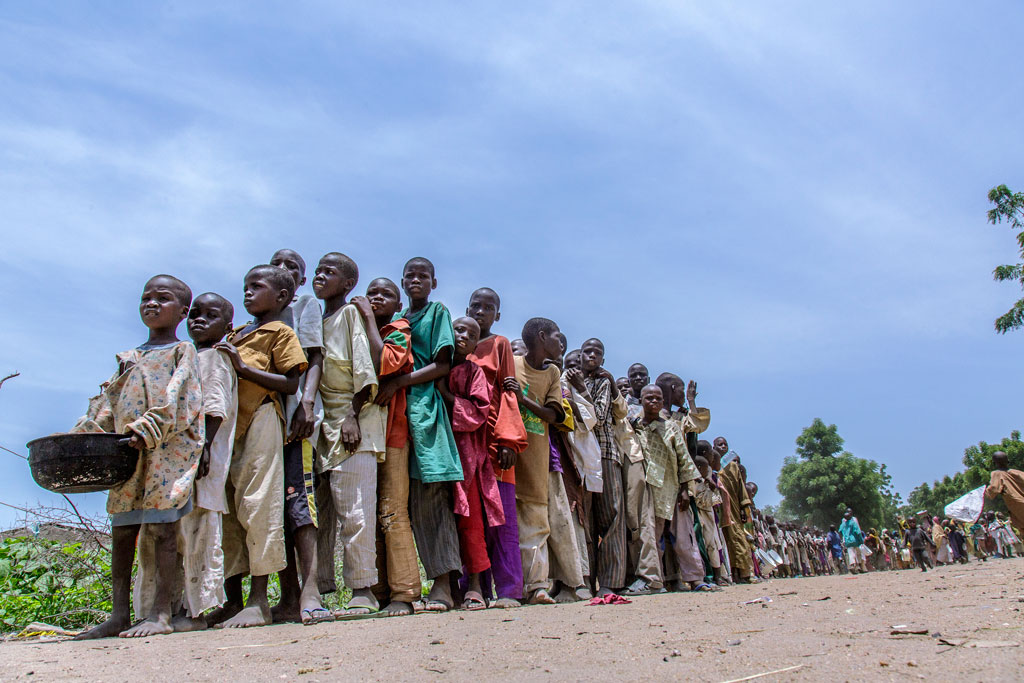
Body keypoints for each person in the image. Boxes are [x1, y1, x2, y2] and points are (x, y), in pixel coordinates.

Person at [72, 275, 205, 639]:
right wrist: (82, 436)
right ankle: (117, 614)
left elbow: (181, 399)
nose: (151, 304)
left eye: (162, 298)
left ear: (182, 311)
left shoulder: (183, 351)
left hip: (167, 451)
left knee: (163, 528)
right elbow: (107, 405)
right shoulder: (128, 358)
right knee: (123, 527)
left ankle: (160, 612)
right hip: (126, 453)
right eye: (146, 297)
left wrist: (145, 429)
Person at [134, 292, 237, 633]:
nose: (199, 320)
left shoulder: (213, 359)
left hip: (199, 460)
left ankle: (198, 611)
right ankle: (168, 607)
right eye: (195, 313)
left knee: (198, 533)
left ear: (227, 326)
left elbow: (214, 406)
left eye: (211, 315)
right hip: (172, 464)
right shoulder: (185, 356)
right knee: (170, 535)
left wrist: (204, 448)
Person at [212, 265, 308, 629]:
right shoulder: (235, 334)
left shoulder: (279, 332)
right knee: (228, 511)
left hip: (263, 419)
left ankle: (259, 600)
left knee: (259, 505)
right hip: (229, 427)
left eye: (257, 287)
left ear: (282, 297)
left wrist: (241, 366)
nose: (248, 293)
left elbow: (289, 382)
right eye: (245, 287)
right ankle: (232, 600)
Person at [377, 257, 463, 612]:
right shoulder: (398, 321)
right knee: (399, 504)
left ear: (433, 282)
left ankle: (442, 585)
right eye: (410, 275)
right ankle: (404, 585)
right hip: (396, 414)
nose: (416, 280)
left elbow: (444, 364)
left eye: (422, 275)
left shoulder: (436, 312)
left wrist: (400, 381)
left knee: (432, 500)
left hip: (425, 409)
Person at [312, 252, 386, 618]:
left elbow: (365, 365)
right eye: (318, 270)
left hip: (354, 424)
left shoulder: (350, 315)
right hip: (322, 428)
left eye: (330, 271)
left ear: (348, 284)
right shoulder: (313, 320)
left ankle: (363, 590)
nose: (320, 275)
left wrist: (353, 416)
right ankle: (321, 592)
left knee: (356, 513)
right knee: (321, 517)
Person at [268, 248, 330, 625]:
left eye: (292, 266)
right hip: (265, 424)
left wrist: (306, 403)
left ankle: (310, 591)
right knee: (274, 508)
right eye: (277, 263)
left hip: (296, 417)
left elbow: (315, 356)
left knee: (300, 501)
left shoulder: (304, 305)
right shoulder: (257, 319)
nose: (283, 270)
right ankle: (287, 593)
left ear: (302, 280)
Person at [355, 277, 421, 617]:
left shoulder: (398, 330)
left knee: (393, 510)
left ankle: (405, 592)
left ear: (398, 305)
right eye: (371, 293)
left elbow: (387, 363)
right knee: (368, 511)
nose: (376, 298)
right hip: (366, 433)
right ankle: (378, 590)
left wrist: (368, 317)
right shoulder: (355, 329)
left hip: (393, 434)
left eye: (386, 294)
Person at [465, 287, 529, 608]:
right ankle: (474, 588)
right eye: (475, 305)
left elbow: (508, 391)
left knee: (502, 519)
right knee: (471, 515)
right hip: (466, 440)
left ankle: (508, 590)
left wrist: (507, 439)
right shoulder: (460, 344)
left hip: (495, 439)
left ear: (497, 315)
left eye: (488, 308)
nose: (480, 311)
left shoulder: (500, 344)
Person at [507, 318, 566, 604]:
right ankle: (509, 588)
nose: (561, 342)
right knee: (507, 528)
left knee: (536, 525)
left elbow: (553, 416)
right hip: (507, 459)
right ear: (542, 337)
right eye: (557, 336)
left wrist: (523, 399)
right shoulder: (512, 362)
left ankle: (537, 586)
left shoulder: (552, 373)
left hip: (536, 459)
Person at [437, 316, 495, 611]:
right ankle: (445, 586)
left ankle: (474, 586)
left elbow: (479, 411)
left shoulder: (474, 372)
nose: (462, 336)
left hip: (465, 453)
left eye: (470, 334)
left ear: (476, 344)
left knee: (470, 519)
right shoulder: (434, 362)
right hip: (434, 448)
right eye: (458, 329)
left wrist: (446, 395)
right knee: (440, 516)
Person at [581, 338, 628, 595]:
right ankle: (586, 581)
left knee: (611, 516)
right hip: (581, 457)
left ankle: (609, 582)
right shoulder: (569, 380)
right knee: (586, 519)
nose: (591, 356)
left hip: (606, 454)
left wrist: (582, 389)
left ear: (603, 360)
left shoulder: (603, 382)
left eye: (596, 353)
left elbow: (598, 417)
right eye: (587, 351)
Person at [715, 439, 757, 583]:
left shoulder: (733, 467)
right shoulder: (714, 465)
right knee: (723, 542)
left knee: (739, 539)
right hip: (718, 509)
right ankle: (731, 573)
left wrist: (744, 508)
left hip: (734, 509)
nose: (723, 446)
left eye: (725, 444)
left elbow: (741, 489)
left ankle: (745, 573)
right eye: (719, 444)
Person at [985, 450, 1024, 534]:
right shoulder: (1019, 473)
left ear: (995, 463)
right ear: (1008, 460)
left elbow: (993, 489)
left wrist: (983, 494)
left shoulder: (997, 474)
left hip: (1019, 509)